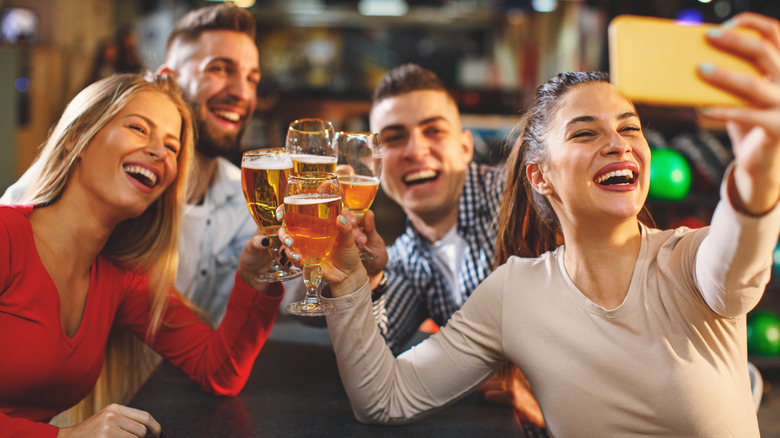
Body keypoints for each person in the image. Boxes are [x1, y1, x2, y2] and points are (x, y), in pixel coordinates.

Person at [280, 11, 780, 436]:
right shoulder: (507, 291)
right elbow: (384, 396)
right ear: (539, 176)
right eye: (586, 132)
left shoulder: (688, 260)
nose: (619, 144)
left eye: (631, 128)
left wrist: (758, 174)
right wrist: (345, 278)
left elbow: (739, 261)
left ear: (464, 147)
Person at [0, 72, 282, 437]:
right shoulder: (7, 236)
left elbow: (220, 371)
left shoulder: (120, 278)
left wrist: (256, 276)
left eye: (172, 147)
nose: (159, 152)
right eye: (138, 128)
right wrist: (66, 436)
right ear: (75, 140)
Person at [2, 5, 272, 324]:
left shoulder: (249, 199)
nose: (242, 92)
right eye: (219, 69)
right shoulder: (86, 187)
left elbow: (303, 303)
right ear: (168, 79)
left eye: (252, 78)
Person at [356, 63, 547, 433]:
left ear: (464, 147)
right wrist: (364, 277)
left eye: (433, 131)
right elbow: (372, 364)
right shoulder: (406, 257)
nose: (416, 150)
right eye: (394, 138)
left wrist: (547, 398)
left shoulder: (525, 199)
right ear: (374, 166)